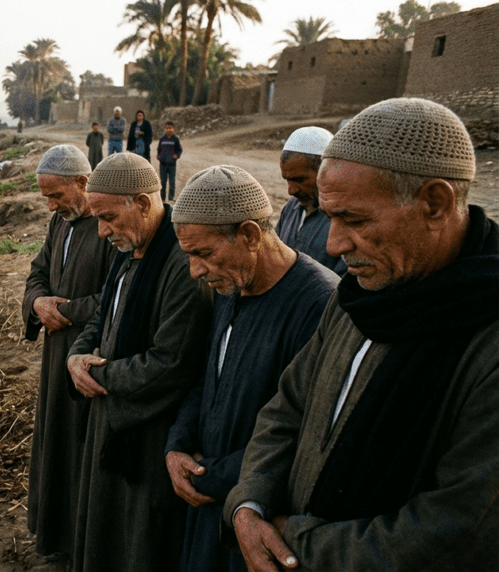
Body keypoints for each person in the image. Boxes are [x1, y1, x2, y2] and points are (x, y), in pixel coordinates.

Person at [224, 97, 499, 571]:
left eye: (355, 220)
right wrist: (249, 505)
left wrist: (299, 546)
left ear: (436, 203)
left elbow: (458, 528)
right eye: (330, 218)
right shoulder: (357, 296)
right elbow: (287, 407)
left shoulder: (486, 338)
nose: (333, 245)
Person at [165, 165, 340, 572]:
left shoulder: (319, 305)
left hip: (254, 509)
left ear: (249, 235)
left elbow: (303, 431)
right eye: (188, 256)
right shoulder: (231, 283)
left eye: (203, 254)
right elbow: (208, 383)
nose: (195, 271)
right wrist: (177, 444)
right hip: (207, 493)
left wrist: (208, 476)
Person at [66, 152, 212, 572]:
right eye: (97, 218)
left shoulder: (182, 263)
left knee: (140, 537)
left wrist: (98, 373)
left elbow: (171, 363)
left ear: (144, 204)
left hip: (149, 429)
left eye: (109, 217)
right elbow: (103, 317)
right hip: (111, 411)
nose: (101, 231)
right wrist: (77, 356)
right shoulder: (129, 248)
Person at [23, 145, 117, 561]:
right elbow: (38, 270)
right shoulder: (59, 224)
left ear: (83, 183)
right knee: (55, 441)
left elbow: (115, 297)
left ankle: (79, 544)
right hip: (55, 351)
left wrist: (66, 311)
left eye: (56, 195)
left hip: (90, 355)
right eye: (45, 197)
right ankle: (54, 535)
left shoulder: (109, 227)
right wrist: (38, 303)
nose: (50, 205)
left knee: (81, 448)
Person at [275, 127, 347, 275]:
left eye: (299, 180)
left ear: (325, 172)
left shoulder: (346, 217)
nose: (291, 191)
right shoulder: (291, 208)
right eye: (287, 180)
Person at [157, 121, 183, 201]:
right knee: (163, 182)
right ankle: (162, 198)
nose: (169, 130)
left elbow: (179, 150)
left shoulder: (175, 139)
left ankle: (171, 197)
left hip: (172, 164)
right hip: (163, 164)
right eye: (167, 128)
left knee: (172, 182)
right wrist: (159, 156)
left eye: (171, 128)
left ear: (174, 129)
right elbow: (159, 149)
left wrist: (177, 155)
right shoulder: (162, 139)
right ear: (165, 129)